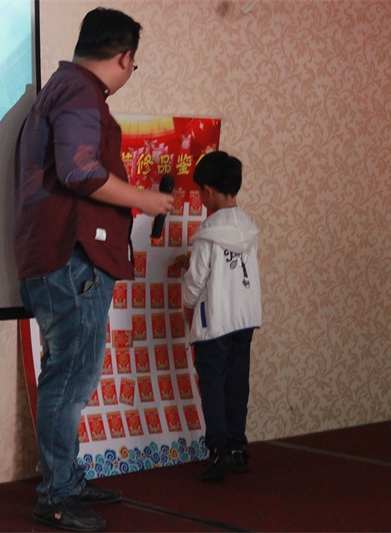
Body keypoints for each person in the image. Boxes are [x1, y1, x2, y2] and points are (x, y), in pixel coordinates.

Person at [13, 8, 174, 532]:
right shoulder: (81, 93)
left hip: (54, 254)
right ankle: (57, 495)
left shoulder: (61, 88)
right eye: (134, 63)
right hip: (72, 255)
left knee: (66, 372)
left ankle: (67, 480)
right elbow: (81, 171)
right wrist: (146, 199)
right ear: (124, 57)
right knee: (71, 378)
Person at [172, 151, 263, 483]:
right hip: (245, 318)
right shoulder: (248, 227)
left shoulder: (208, 231)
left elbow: (197, 280)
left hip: (216, 322)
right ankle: (237, 448)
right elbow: (231, 267)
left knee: (212, 385)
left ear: (207, 191)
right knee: (237, 384)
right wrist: (190, 258)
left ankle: (218, 449)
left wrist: (185, 305)